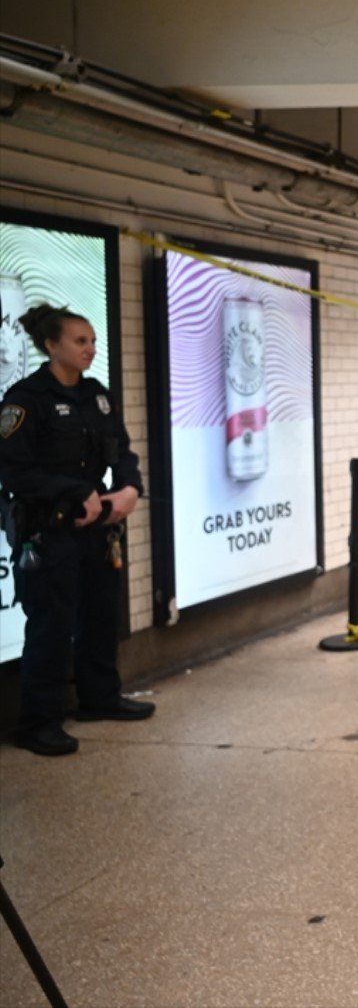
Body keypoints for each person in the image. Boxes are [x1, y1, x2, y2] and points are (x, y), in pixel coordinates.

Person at [0, 304, 151, 757]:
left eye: (92, 341)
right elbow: (14, 473)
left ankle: (99, 698)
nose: (90, 349)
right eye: (80, 341)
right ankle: (39, 722)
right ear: (51, 346)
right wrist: (72, 491)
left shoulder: (96, 395)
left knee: (100, 615)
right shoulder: (26, 399)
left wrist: (129, 488)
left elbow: (122, 451)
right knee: (50, 624)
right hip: (48, 531)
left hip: (97, 526)